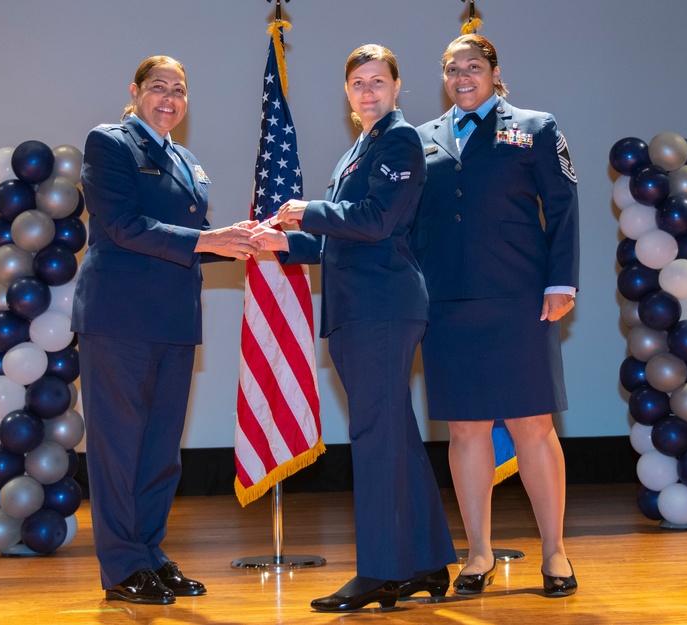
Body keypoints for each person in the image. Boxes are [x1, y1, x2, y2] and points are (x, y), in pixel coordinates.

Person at [252, 44, 456, 612]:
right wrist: (285, 241)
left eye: (377, 81)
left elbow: (378, 220)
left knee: (374, 437)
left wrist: (307, 208)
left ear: (396, 87)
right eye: (358, 84)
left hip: (382, 307)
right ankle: (428, 561)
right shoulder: (356, 152)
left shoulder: (399, 139)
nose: (367, 92)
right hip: (362, 307)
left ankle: (382, 572)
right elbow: (343, 236)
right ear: (347, 95)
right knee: (393, 433)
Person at [72, 55, 259, 605]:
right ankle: (122, 566)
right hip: (120, 320)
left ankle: (150, 553)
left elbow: (197, 239)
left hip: (175, 321)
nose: (170, 99)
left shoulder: (185, 159)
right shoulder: (109, 143)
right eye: (159, 88)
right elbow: (127, 226)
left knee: (159, 452)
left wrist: (246, 240)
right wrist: (210, 239)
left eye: (180, 90)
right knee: (118, 448)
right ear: (135, 92)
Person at [412, 34, 580, 597]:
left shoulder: (535, 126)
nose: (463, 77)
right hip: (447, 302)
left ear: (494, 71)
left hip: (519, 298)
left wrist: (561, 282)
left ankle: (554, 551)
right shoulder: (420, 139)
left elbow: (562, 206)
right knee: (465, 429)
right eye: (452, 69)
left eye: (473, 67)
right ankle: (478, 551)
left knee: (534, 426)